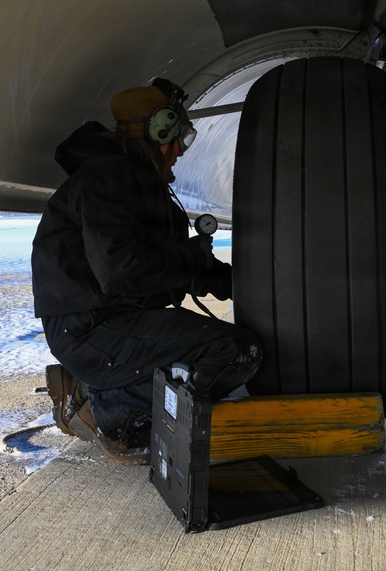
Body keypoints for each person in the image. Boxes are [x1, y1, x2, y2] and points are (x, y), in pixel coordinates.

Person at [31, 78, 261, 465]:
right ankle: (111, 411)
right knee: (234, 352)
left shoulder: (132, 179)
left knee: (226, 348)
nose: (180, 153)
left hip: (109, 320)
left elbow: (164, 265)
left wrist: (240, 284)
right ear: (157, 131)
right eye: (180, 138)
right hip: (91, 328)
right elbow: (124, 273)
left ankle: (101, 386)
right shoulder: (109, 180)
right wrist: (191, 256)